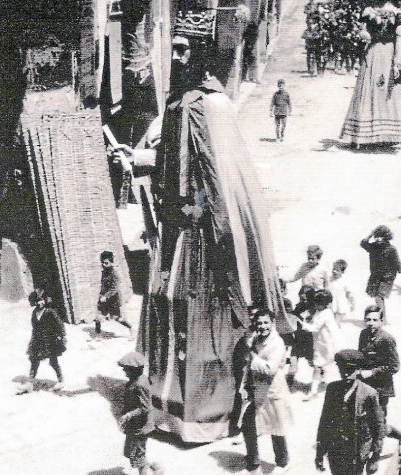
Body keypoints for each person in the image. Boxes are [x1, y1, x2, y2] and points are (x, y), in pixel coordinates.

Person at [118, 34, 287, 441]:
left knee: (200, 317)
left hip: (206, 236)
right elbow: (169, 163)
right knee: (166, 306)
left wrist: (211, 222)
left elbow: (223, 176)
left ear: (203, 56)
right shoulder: (176, 104)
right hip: (175, 231)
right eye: (173, 49)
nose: (175, 58)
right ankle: (163, 404)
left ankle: (206, 415)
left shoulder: (213, 104)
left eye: (183, 50)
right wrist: (135, 159)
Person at [339, 1, 401, 147]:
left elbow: (400, 38)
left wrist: (397, 62)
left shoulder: (396, 12)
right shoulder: (368, 11)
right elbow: (361, 30)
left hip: (389, 54)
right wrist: (362, 36)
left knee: (386, 91)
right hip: (372, 53)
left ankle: (389, 135)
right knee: (368, 89)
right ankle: (362, 136)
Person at [240, 309, 293, 475]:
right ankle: (253, 464)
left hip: (272, 391)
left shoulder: (277, 343)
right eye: (259, 323)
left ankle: (283, 462)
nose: (262, 326)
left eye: (266, 323)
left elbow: (269, 369)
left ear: (272, 323)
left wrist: (252, 356)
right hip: (256, 390)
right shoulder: (256, 338)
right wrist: (244, 385)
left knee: (275, 428)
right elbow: (248, 365)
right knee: (248, 425)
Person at [315, 349, 385, 475]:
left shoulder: (369, 393)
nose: (345, 374)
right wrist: (320, 452)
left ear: (358, 370)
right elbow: (324, 421)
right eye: (342, 369)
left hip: (357, 450)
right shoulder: (332, 389)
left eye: (349, 370)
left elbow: (379, 425)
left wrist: (375, 455)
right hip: (335, 449)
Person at [117, 351, 161, 475]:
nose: (124, 371)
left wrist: (128, 415)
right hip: (135, 425)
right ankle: (154, 468)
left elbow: (145, 407)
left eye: (126, 369)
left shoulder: (140, 384)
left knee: (137, 456)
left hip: (141, 427)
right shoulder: (136, 380)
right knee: (131, 452)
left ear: (133, 370)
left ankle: (148, 470)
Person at [18, 288, 66, 394]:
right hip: (38, 341)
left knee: (53, 361)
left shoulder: (50, 312)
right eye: (38, 301)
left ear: (45, 300)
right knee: (34, 361)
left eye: (42, 300)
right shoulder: (34, 313)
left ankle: (61, 380)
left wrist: (61, 336)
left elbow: (60, 324)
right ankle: (30, 383)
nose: (40, 303)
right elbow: (34, 327)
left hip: (50, 340)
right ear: (35, 302)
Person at [358, 305, 400, 421]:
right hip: (365, 383)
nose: (371, 323)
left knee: (378, 418)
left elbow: (395, 366)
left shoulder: (387, 339)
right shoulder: (363, 334)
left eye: (375, 320)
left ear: (381, 321)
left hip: (381, 386)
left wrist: (373, 372)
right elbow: (361, 357)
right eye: (368, 320)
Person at [299, 289, 342, 401]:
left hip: (328, 345)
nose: (317, 305)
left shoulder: (326, 313)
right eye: (316, 303)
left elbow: (315, 327)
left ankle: (315, 390)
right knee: (321, 366)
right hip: (321, 344)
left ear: (326, 304)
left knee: (322, 366)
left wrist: (301, 323)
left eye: (319, 304)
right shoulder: (321, 312)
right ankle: (317, 388)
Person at [361, 225, 401, 319]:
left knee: (379, 297)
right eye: (376, 236)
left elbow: (397, 262)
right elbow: (363, 244)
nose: (378, 239)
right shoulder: (373, 247)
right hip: (375, 275)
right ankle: (382, 318)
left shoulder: (391, 249)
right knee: (377, 298)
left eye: (380, 236)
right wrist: (371, 233)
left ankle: (381, 319)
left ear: (386, 237)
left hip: (387, 277)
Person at [96, 250, 133, 338]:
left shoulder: (115, 274)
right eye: (102, 262)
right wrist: (101, 295)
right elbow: (103, 286)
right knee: (97, 316)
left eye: (106, 263)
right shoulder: (104, 273)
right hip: (104, 298)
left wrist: (106, 296)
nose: (103, 264)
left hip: (113, 299)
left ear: (111, 262)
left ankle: (131, 328)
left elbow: (115, 288)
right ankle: (98, 336)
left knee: (116, 318)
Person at [327, 259, 356, 326]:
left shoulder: (344, 281)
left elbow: (349, 294)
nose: (334, 271)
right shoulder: (329, 279)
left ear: (342, 272)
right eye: (333, 269)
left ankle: (336, 334)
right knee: (331, 322)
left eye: (337, 270)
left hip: (340, 305)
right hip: (331, 304)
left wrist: (352, 304)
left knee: (335, 324)